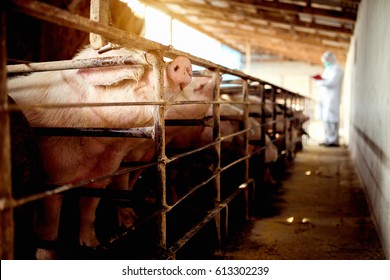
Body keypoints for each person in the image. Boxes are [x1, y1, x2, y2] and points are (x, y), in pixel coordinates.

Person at [313, 51, 344, 147]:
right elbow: (325, 81)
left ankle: (333, 141)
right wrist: (320, 81)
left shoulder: (337, 69)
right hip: (326, 98)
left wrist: (320, 82)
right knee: (326, 120)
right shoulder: (328, 69)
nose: (326, 62)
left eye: (326, 60)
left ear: (331, 59)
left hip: (332, 98)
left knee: (332, 119)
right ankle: (327, 139)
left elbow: (332, 82)